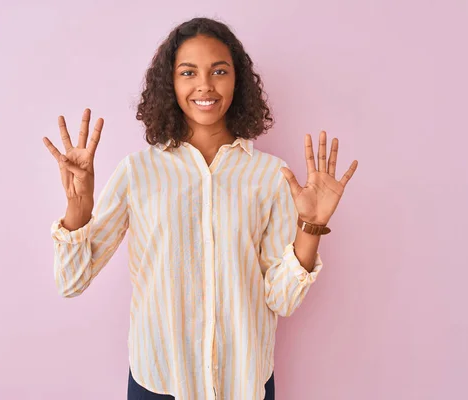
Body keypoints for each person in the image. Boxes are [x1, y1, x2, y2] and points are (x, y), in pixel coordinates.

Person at [43, 17, 358, 400]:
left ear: (236, 81)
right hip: (159, 380)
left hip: (243, 381)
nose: (205, 85)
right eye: (188, 72)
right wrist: (79, 206)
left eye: (219, 71)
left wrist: (310, 225)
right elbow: (71, 281)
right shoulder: (139, 172)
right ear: (170, 84)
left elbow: (282, 299)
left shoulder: (270, 176)